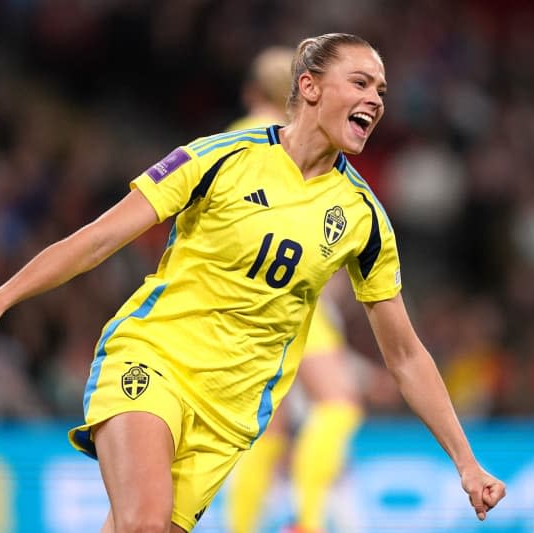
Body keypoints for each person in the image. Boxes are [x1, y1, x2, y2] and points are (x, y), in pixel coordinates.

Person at [0, 33, 506, 532]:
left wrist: (465, 461)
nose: (376, 101)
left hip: (230, 412)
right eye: (360, 82)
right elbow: (99, 238)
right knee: (143, 522)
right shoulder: (218, 157)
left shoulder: (363, 219)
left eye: (381, 91)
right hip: (154, 358)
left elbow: (405, 355)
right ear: (309, 87)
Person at [224, 45, 365, 533]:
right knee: (338, 404)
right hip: (286, 297)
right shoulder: (286, 141)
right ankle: (306, 520)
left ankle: (242, 526)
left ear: (249, 91)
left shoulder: (225, 139)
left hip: (236, 302)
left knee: (269, 428)